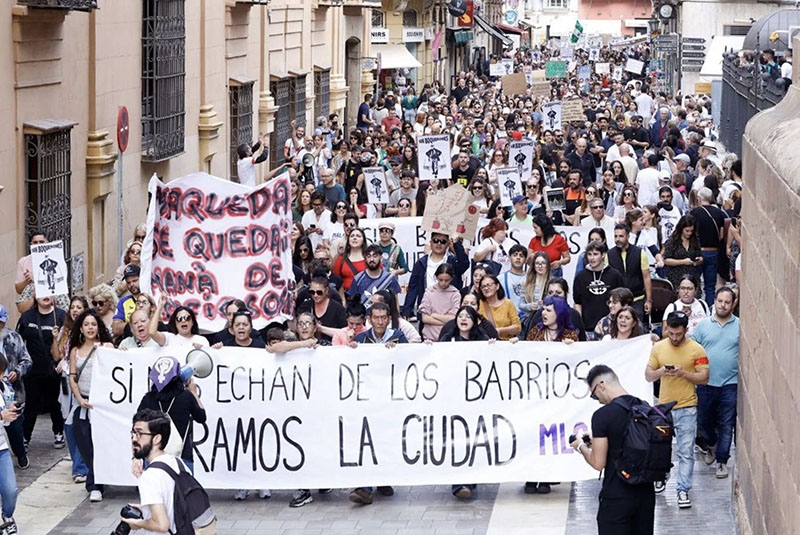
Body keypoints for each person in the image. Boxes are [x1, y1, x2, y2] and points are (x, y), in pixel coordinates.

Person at [570, 365, 656, 535]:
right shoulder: (644, 407)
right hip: (645, 494)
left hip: (617, 496)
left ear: (601, 385)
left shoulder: (603, 415)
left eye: (595, 395)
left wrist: (580, 446)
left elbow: (598, 463)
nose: (598, 400)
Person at [646, 311, 709, 508]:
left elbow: (704, 377)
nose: (674, 337)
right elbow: (648, 375)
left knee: (686, 452)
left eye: (678, 334)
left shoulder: (696, 350)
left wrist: (683, 373)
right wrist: (660, 372)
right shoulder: (658, 348)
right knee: (660, 448)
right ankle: (661, 476)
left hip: (687, 407)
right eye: (671, 333)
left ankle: (683, 489)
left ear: (686, 330)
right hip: (664, 407)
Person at [125, 409, 216, 534]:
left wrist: (137, 523)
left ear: (157, 439)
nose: (134, 439)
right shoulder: (176, 462)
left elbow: (162, 525)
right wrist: (145, 509)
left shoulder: (149, 477)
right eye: (133, 433)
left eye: (140, 434)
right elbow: (173, 504)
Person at [690, 287, 739, 479]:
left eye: (727, 302)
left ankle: (722, 461)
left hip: (730, 383)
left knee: (726, 423)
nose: (723, 305)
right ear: (714, 302)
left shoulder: (740, 326)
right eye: (720, 301)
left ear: (733, 304)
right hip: (705, 382)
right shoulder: (703, 325)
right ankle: (711, 444)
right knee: (703, 422)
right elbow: (692, 349)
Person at [68, 309, 114, 502]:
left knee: (102, 445)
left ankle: (95, 485)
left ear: (99, 326)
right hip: (84, 404)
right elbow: (72, 377)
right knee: (85, 444)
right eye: (86, 324)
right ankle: (95, 481)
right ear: (81, 327)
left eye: (93, 324)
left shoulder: (107, 346)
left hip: (103, 407)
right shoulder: (75, 350)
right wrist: (79, 399)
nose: (90, 328)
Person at [136, 356, 206, 473]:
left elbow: (137, 428)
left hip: (153, 456)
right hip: (182, 456)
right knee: (183, 490)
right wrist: (194, 393)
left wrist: (136, 457)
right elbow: (201, 417)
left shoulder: (148, 399)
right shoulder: (186, 397)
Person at [16, 294, 66, 451]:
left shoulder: (60, 315)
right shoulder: (27, 316)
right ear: (35, 296)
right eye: (41, 294)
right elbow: (18, 341)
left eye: (48, 294)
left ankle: (58, 433)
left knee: (55, 404)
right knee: (31, 405)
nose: (45, 297)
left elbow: (67, 342)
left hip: (52, 370)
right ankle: (25, 437)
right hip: (32, 371)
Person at [402, 232, 469, 318]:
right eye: (436, 240)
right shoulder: (421, 263)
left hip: (449, 311)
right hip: (428, 311)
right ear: (430, 242)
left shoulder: (453, 262)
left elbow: (464, 264)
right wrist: (406, 312)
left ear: (448, 243)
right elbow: (413, 288)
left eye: (443, 241)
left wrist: (456, 243)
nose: (439, 244)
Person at [0, 304, 31, 470]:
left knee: (14, 427)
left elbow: (27, 360)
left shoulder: (14, 338)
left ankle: (20, 453)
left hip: (12, 391)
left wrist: (17, 372)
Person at [573, 240, 624, 335]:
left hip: (610, 328)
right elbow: (577, 303)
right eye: (589, 254)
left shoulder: (615, 275)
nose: (592, 258)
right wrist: (580, 327)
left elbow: (621, 303)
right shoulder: (580, 277)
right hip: (587, 329)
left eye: (595, 254)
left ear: (603, 255)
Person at [607, 224, 652, 321]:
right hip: (618, 301)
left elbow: (646, 277)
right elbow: (608, 278)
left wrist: (648, 300)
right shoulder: (609, 254)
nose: (618, 239)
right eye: (616, 236)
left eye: (621, 236)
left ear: (628, 236)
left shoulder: (639, 252)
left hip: (637, 299)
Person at [689, 187, 726, 306]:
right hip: (713, 252)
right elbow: (721, 235)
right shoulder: (719, 213)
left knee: (693, 283)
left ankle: (695, 307)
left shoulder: (694, 213)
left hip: (698, 252)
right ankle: (709, 309)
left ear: (699, 199)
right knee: (710, 286)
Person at [0, 354, 21, 535]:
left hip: (1, 447)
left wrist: (9, 412)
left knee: (10, 490)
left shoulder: (3, 389)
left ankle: (7, 517)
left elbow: (5, 422)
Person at [418, 263, 461, 342]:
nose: (443, 283)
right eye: (440, 280)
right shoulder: (429, 292)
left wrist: (434, 315)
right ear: (436, 277)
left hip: (449, 338)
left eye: (446, 280)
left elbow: (454, 319)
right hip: (429, 339)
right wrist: (445, 321)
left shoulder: (455, 294)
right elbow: (424, 318)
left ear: (451, 279)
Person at [663, 215, 703, 292]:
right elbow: (666, 260)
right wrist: (683, 261)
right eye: (687, 231)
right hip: (676, 277)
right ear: (681, 229)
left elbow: (700, 255)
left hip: (692, 275)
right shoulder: (673, 241)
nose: (689, 233)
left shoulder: (695, 240)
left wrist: (698, 260)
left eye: (691, 231)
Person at [475, 274, 521, 341]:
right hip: (485, 343)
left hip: (505, 344)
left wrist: (500, 330)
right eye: (483, 286)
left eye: (489, 285)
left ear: (497, 286)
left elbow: (517, 328)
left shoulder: (508, 304)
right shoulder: (479, 304)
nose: (486, 288)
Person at [112, 264, 142, 337]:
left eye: (135, 281)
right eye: (128, 282)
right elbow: (116, 328)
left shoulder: (152, 298)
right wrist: (140, 324)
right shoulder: (123, 302)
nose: (131, 284)